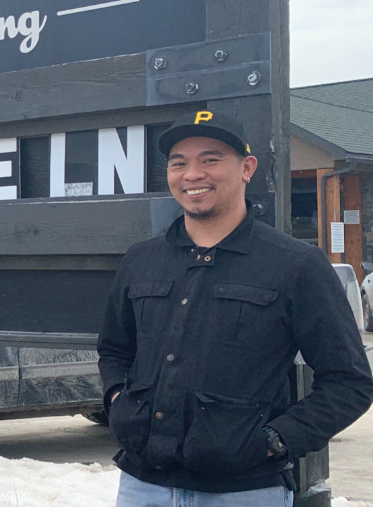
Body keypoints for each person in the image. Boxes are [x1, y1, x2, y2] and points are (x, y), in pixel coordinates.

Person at [99, 110, 373, 506]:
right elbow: (114, 350)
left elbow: (350, 382)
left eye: (210, 159)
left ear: (246, 168)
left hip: (246, 492)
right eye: (179, 163)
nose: (192, 174)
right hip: (142, 487)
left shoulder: (295, 265)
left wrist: (275, 441)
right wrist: (117, 403)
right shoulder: (142, 260)